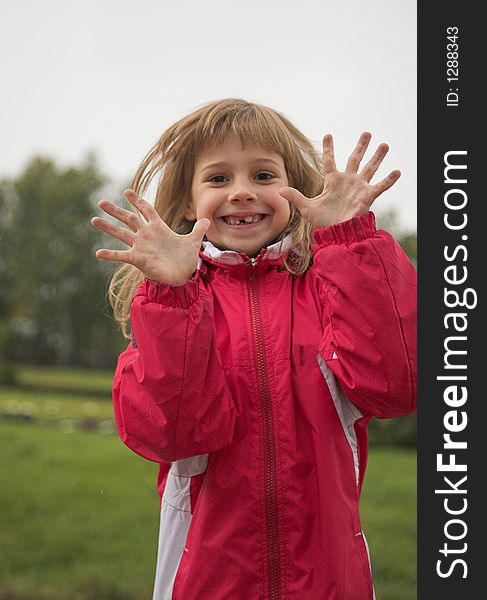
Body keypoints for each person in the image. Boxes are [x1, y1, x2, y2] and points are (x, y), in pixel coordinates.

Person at [92, 98, 417, 600]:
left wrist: (351, 241)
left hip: (331, 582)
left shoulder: (330, 287)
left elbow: (398, 388)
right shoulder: (174, 305)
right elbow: (170, 435)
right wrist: (174, 299)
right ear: (185, 202)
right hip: (206, 581)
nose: (242, 192)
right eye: (218, 179)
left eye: (264, 175)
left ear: (295, 191)